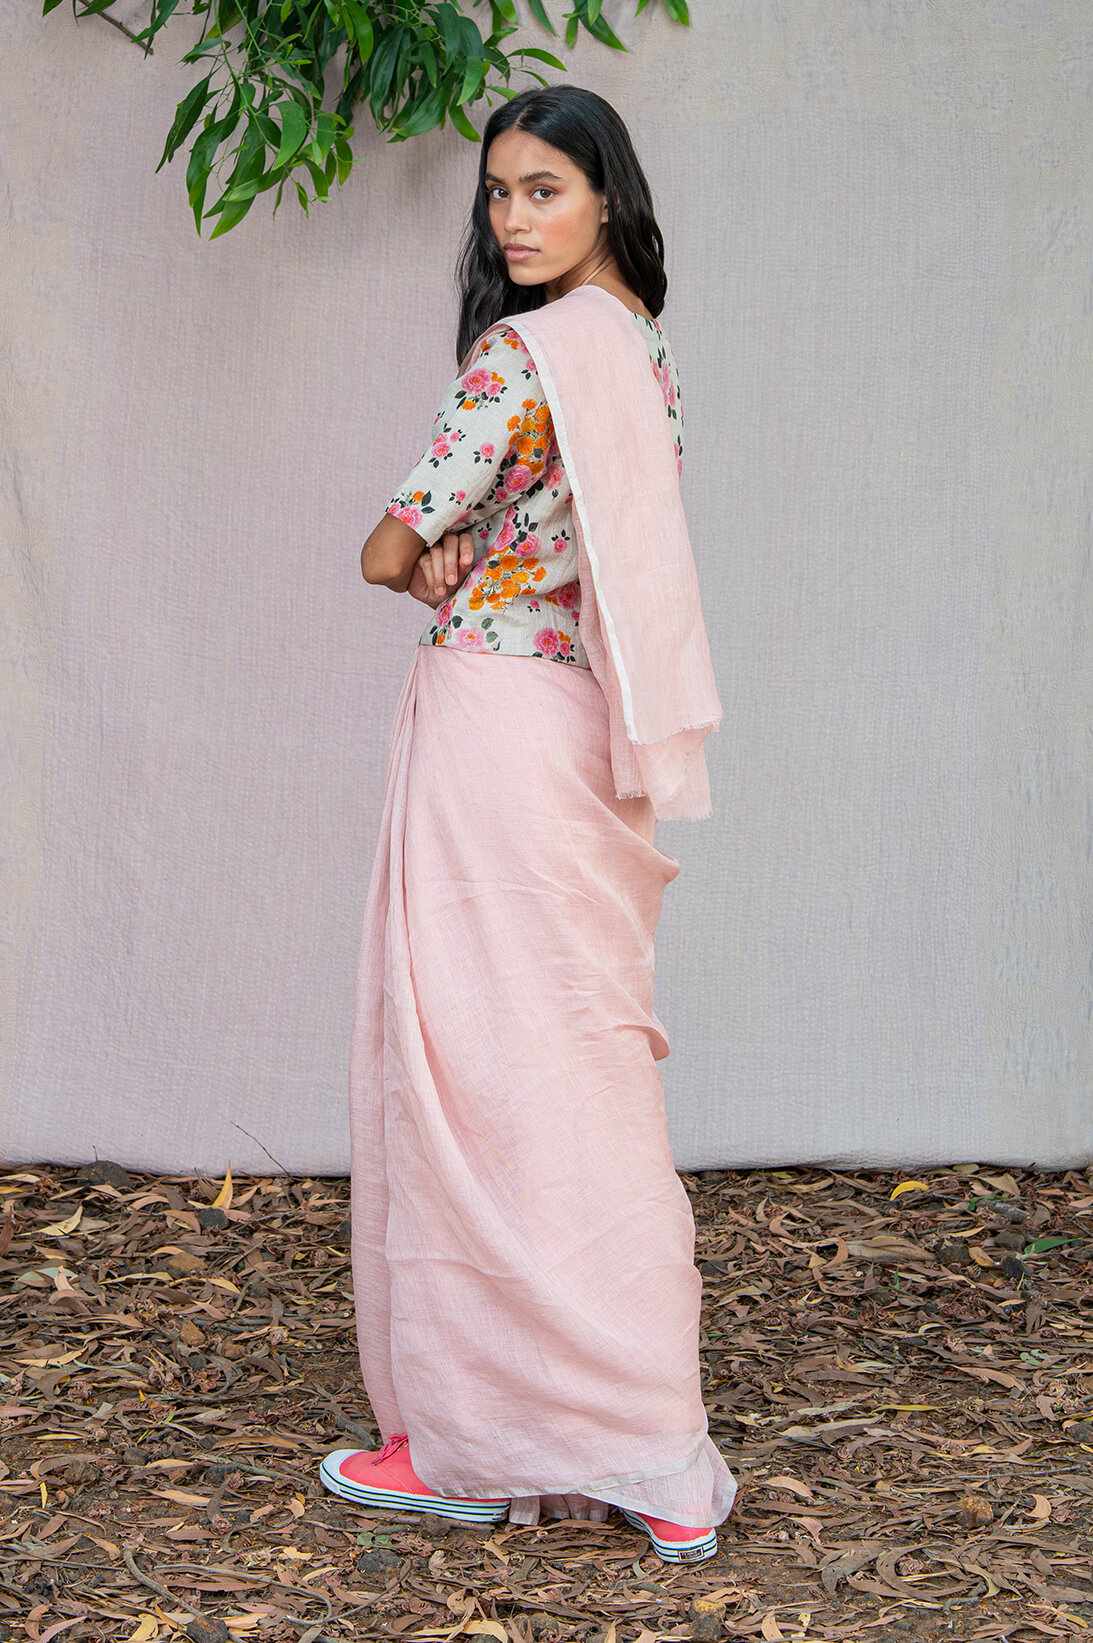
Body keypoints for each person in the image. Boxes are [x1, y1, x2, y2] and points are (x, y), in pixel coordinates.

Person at [319, 83, 737, 1564]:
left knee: (477, 1071)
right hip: (581, 731)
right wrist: (466, 551)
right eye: (498, 192)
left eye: (544, 189)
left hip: (494, 728)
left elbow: (386, 546)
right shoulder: (640, 352)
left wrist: (422, 558)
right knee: (577, 1068)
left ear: (608, 195)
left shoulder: (522, 355)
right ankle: (652, 1449)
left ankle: (470, 1443)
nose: (512, 217)